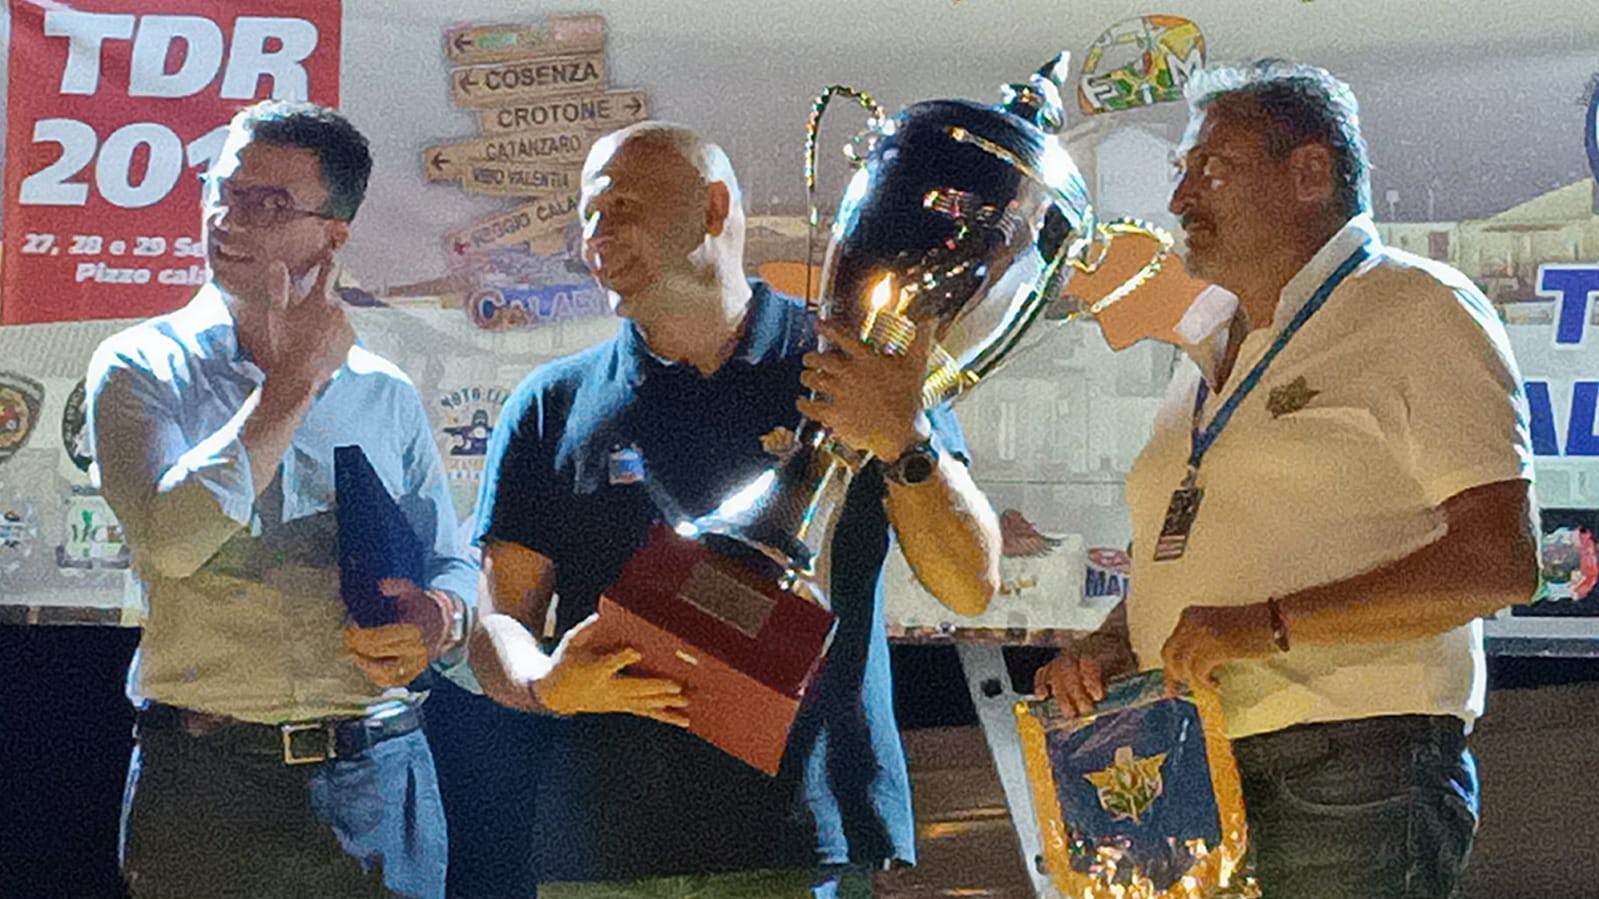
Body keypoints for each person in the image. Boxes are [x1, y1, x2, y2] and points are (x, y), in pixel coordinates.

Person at [1037, 61, 1538, 898]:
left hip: (1352, 763)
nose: (1179, 199)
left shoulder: (1417, 308)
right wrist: (1113, 641)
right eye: (1182, 171)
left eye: (1212, 168)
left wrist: (1267, 625)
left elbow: (1498, 563)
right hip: (1186, 765)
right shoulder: (1207, 344)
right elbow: (1200, 554)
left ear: (1310, 172)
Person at [469, 121, 1003, 898]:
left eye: (621, 206)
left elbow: (969, 584)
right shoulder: (552, 402)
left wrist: (902, 437)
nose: (597, 234)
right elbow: (495, 627)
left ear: (714, 207)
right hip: (603, 844)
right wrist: (543, 682)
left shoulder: (849, 366)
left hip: (800, 841)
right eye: (587, 215)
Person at [87, 100, 477, 899]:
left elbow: (450, 558)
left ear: (333, 235)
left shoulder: (383, 391)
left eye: (267, 204)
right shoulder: (139, 368)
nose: (229, 219)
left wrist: (442, 617)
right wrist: (290, 385)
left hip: (377, 774)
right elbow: (170, 544)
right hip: (208, 782)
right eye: (222, 190)